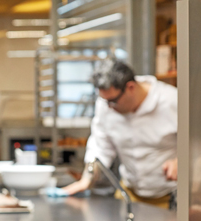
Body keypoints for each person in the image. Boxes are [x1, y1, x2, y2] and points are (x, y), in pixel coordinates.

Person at [60, 60, 177, 208]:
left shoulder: (172, 101)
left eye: (113, 101)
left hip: (168, 196)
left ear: (130, 87)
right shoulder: (105, 105)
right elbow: (101, 146)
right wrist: (87, 179)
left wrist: (183, 161)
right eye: (105, 101)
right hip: (127, 193)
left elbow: (197, 143)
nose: (108, 107)